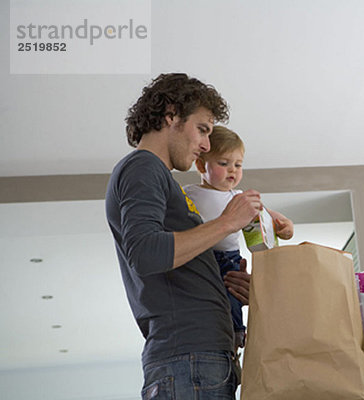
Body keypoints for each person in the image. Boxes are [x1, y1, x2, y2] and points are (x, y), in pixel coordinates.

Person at [105, 73, 258, 399]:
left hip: (198, 359)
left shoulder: (159, 178)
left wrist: (225, 286)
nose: (206, 144)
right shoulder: (142, 168)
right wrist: (226, 223)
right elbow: (146, 253)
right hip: (188, 359)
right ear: (171, 115)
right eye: (202, 129)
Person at [183, 126, 294, 351]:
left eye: (238, 164)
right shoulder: (189, 193)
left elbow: (269, 216)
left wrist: (285, 227)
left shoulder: (239, 197)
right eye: (223, 164)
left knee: (232, 295)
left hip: (229, 258)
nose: (232, 170)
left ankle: (236, 335)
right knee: (206, 300)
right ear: (201, 165)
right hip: (201, 255)